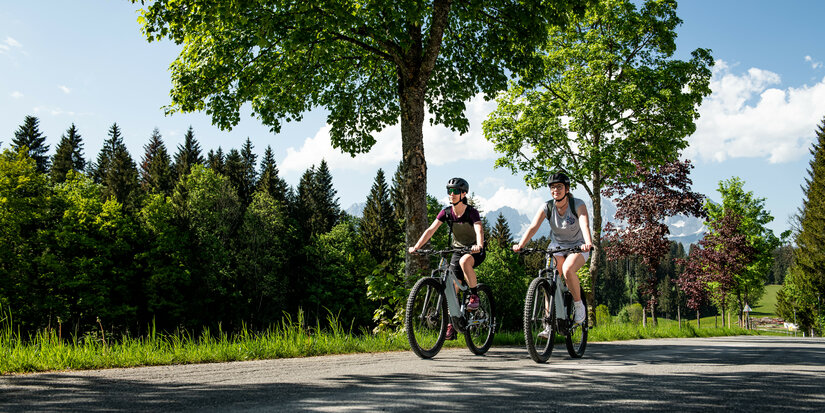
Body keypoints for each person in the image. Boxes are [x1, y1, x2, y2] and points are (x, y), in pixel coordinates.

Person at [512, 171, 593, 334]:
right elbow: (533, 227)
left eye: (559, 186)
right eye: (552, 187)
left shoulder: (577, 204)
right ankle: (549, 324)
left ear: (567, 189)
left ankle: (579, 306)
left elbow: (584, 224)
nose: (555, 190)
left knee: (568, 269)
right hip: (557, 246)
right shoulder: (547, 207)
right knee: (550, 280)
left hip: (578, 245)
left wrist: (588, 242)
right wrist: (520, 244)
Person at [408, 177, 485, 340]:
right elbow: (430, 230)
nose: (452, 194)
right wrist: (417, 246)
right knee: (452, 289)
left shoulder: (471, 212)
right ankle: (452, 323)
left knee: (465, 262)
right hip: (458, 250)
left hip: (474, 250)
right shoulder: (446, 212)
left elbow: (479, 229)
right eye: (449, 191)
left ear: (463, 194)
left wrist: (478, 245)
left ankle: (474, 295)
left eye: (456, 191)